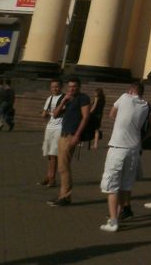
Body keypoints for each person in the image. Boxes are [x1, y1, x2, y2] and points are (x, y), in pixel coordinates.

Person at [98, 81, 151, 233]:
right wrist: (142, 138)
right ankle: (117, 216)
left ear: (130, 90)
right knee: (125, 185)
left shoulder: (124, 97)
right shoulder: (148, 106)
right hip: (134, 149)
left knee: (111, 186)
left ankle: (113, 222)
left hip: (118, 148)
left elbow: (111, 114)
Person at [48, 76, 91, 206]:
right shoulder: (66, 99)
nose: (72, 89)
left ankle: (65, 197)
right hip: (63, 134)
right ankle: (63, 195)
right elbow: (55, 114)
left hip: (71, 135)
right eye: (70, 86)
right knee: (62, 166)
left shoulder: (83, 98)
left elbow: (86, 117)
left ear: (79, 87)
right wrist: (63, 102)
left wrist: (77, 135)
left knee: (63, 166)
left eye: (74, 86)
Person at [39, 80, 64, 187]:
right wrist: (44, 114)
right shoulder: (49, 98)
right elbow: (44, 113)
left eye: (57, 86)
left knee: (54, 153)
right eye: (52, 87)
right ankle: (48, 176)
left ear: (61, 87)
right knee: (49, 154)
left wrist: (50, 112)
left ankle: (52, 178)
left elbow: (59, 112)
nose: (54, 89)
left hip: (59, 127)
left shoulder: (64, 98)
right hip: (49, 127)